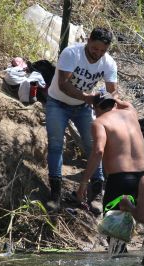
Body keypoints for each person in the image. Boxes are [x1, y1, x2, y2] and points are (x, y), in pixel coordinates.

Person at [45, 27, 118, 211]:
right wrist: (88, 98)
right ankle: (55, 194)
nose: (98, 53)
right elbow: (63, 84)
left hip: (83, 107)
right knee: (55, 145)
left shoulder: (108, 62)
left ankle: (97, 192)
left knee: (93, 146)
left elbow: (113, 90)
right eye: (95, 48)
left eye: (103, 50)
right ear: (88, 41)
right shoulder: (72, 53)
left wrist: (106, 100)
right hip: (57, 103)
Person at [76, 92, 144, 216]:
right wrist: (115, 99)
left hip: (120, 179)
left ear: (95, 108)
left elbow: (98, 151)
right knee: (131, 221)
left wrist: (84, 182)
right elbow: (124, 104)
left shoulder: (100, 122)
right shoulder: (131, 112)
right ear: (114, 104)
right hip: (142, 177)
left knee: (112, 225)